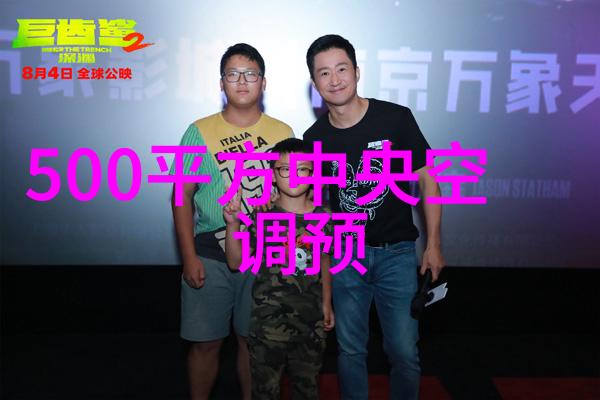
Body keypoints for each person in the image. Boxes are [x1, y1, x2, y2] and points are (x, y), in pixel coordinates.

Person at [303, 34, 445, 400]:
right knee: (350, 351)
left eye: (341, 69)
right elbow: (321, 206)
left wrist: (434, 244)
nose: (334, 79)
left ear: (356, 71)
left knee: (403, 352)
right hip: (346, 257)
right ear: (314, 82)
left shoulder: (395, 119)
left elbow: (428, 179)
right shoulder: (313, 138)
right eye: (324, 73)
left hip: (396, 253)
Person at [170, 43, 293, 400]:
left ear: (263, 83)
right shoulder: (198, 132)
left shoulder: (282, 132)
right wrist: (188, 257)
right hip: (210, 253)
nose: (242, 81)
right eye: (233, 74)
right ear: (221, 83)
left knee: (252, 342)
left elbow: (296, 196)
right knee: (205, 343)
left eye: (251, 74)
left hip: (264, 255)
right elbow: (181, 196)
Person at [224, 138, 335, 399]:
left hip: (310, 327)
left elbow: (324, 261)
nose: (294, 175)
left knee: (307, 391)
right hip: (267, 327)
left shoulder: (324, 217)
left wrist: (327, 304)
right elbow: (235, 262)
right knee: (265, 392)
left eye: (302, 169)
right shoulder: (262, 216)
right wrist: (232, 224)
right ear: (273, 175)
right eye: (285, 169)